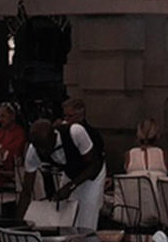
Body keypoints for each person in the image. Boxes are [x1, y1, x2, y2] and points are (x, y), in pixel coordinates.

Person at [16, 98, 108, 230]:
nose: (44, 151)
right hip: (70, 172)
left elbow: (94, 165)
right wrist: (18, 224)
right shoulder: (34, 150)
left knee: (86, 218)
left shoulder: (75, 132)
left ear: (54, 135)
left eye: (47, 147)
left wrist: (71, 187)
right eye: (40, 148)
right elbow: (26, 190)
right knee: (64, 217)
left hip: (92, 173)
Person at [0, 102, 28, 167]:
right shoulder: (0, 131)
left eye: (3, 116)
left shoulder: (20, 135)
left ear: (13, 116)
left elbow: (10, 157)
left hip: (8, 173)